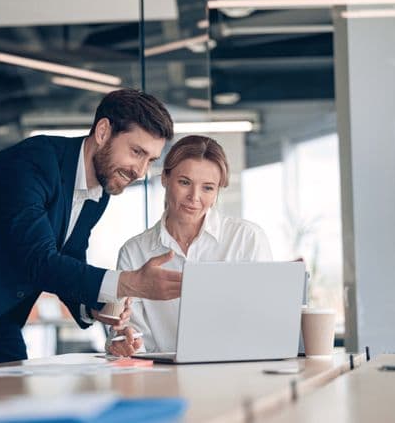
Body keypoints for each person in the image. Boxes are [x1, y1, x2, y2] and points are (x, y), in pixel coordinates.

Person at [0, 89, 183, 371]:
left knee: (16, 397)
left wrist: (99, 308)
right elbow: (38, 259)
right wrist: (128, 282)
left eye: (150, 160)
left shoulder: (99, 190)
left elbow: (69, 254)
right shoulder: (34, 161)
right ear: (103, 131)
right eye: (136, 152)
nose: (141, 171)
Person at [106, 135, 273, 357]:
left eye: (208, 188)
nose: (194, 197)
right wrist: (125, 341)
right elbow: (132, 334)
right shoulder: (134, 252)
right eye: (184, 182)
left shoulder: (247, 239)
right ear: (165, 178)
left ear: (217, 192)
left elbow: (266, 321)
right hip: (163, 380)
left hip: (236, 372)